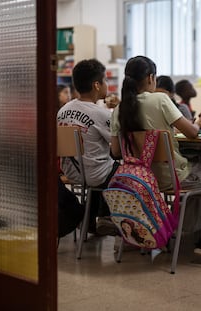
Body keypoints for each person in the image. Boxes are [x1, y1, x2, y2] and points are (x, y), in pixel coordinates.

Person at [110, 55, 201, 263]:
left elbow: (116, 152)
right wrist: (199, 124)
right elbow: (192, 132)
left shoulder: (120, 109)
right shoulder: (160, 99)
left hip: (141, 181)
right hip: (172, 176)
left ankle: (183, 230)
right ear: (150, 78)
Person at [57, 59, 119, 236]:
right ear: (97, 85)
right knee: (123, 169)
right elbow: (118, 145)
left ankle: (88, 220)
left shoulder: (62, 110)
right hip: (94, 174)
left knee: (102, 165)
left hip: (71, 171)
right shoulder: (101, 113)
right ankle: (107, 217)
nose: (107, 84)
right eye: (105, 80)